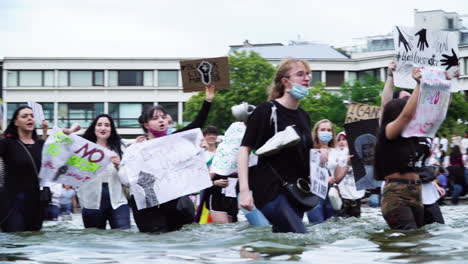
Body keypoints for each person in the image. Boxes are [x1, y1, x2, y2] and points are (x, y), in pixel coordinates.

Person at [119, 85, 215, 233]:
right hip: (147, 206)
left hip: (172, 202)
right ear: (146, 124)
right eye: (155, 118)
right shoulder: (135, 148)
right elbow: (125, 178)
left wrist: (208, 100)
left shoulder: (175, 141)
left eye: (163, 117)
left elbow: (197, 124)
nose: (161, 121)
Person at [238, 58, 314, 233]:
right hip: (270, 190)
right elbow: (244, 150)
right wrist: (244, 190)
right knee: (299, 236)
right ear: (285, 82)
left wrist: (320, 159)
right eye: (300, 74)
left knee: (288, 250)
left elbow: (305, 156)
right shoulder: (266, 110)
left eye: (308, 74)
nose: (307, 78)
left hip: (297, 193)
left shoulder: (304, 116)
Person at [374, 67, 423, 230]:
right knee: (410, 243)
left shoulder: (412, 135)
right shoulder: (388, 131)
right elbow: (391, 108)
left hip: (416, 194)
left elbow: (437, 111)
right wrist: (419, 85)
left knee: (417, 242)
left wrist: (448, 83)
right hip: (397, 196)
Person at [77, 114, 130, 229]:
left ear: (111, 129)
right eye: (99, 125)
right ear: (94, 128)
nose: (103, 128)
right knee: (94, 239)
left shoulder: (120, 147)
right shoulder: (84, 148)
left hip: (118, 199)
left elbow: (128, 179)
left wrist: (118, 166)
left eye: (107, 125)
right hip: (91, 200)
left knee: (124, 236)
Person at [0, 106, 47, 232]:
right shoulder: (7, 143)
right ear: (15, 122)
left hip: (36, 202)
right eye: (24, 116)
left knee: (33, 242)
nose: (29, 118)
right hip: (12, 202)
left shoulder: (41, 145)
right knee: (15, 238)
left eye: (32, 116)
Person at [306, 119, 340, 224]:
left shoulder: (336, 152)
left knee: (332, 229)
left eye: (329, 130)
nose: (326, 132)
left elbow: (338, 177)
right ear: (316, 132)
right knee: (317, 227)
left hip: (331, 195)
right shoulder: (309, 151)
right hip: (314, 196)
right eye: (323, 129)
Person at [335, 132, 365, 218]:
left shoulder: (358, 155)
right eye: (339, 140)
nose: (341, 142)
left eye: (344, 139)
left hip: (356, 197)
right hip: (342, 197)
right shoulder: (336, 157)